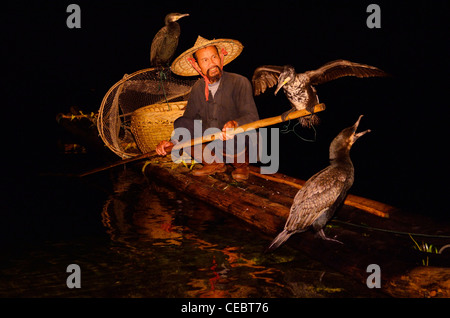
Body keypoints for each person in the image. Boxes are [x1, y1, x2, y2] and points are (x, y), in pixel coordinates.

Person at [156, 36, 259, 181]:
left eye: (214, 57)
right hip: (212, 142)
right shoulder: (198, 88)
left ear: (221, 57)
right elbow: (188, 121)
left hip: (236, 142)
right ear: (197, 66)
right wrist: (171, 142)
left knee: (237, 132)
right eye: (205, 60)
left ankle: (242, 165)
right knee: (181, 123)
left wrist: (234, 124)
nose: (211, 63)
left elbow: (252, 116)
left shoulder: (240, 82)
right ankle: (215, 163)